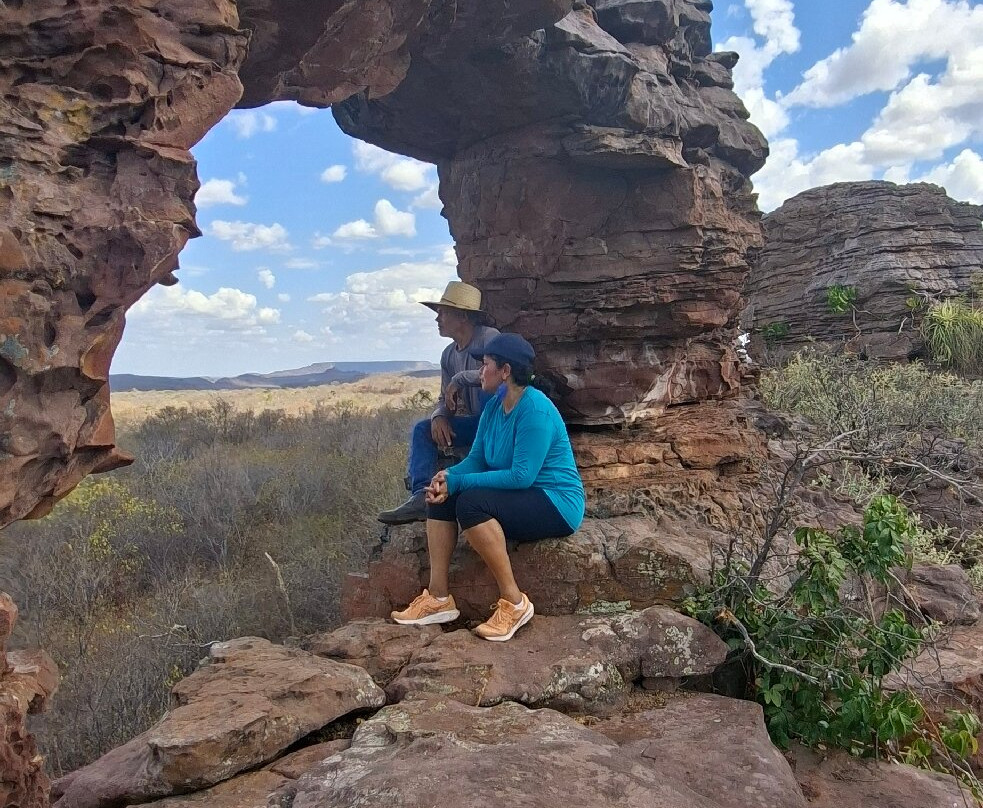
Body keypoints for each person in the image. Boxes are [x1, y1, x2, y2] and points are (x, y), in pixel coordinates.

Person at [390, 333, 586, 642]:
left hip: (555, 503)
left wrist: (460, 482)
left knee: (471, 502)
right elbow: (478, 458)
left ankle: (515, 604)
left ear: (505, 371)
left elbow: (522, 476)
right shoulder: (496, 406)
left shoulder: (535, 410)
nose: (480, 371)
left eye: (486, 365)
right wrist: (446, 477)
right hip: (524, 494)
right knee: (441, 497)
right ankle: (438, 599)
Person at [378, 281, 499, 525]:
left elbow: (498, 378)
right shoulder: (448, 354)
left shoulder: (489, 338)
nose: (437, 319)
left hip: (497, 421)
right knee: (423, 429)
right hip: (476, 423)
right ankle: (422, 496)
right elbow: (446, 397)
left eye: (443, 313)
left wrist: (460, 378)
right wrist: (439, 416)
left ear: (462, 315)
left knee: (491, 395)